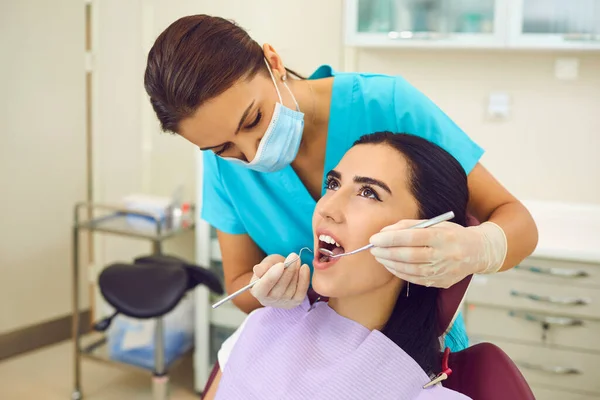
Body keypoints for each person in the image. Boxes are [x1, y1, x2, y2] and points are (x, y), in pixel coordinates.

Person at [143, 14, 538, 351]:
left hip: (417, 353)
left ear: (274, 62)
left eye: (253, 121)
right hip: (315, 349)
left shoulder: (386, 104)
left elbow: (517, 222)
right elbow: (240, 282)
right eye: (224, 147)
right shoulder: (223, 168)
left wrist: (477, 247)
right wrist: (269, 293)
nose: (252, 153)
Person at [202, 132, 473, 400]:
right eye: (332, 185)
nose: (327, 208)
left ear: (426, 237)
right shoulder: (261, 326)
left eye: (368, 192)